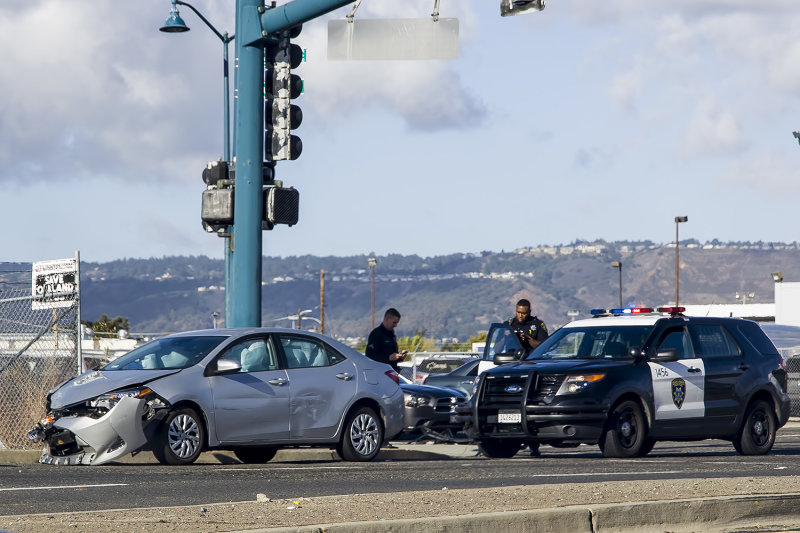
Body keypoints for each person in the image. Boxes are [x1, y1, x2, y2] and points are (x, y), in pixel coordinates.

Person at [365, 308, 407, 372]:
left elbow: (391, 356)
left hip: (392, 371)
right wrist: (388, 358)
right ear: (387, 319)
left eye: (397, 323)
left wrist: (399, 357)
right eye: (394, 322)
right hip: (380, 373)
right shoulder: (376, 334)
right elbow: (369, 356)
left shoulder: (391, 335)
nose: (396, 325)